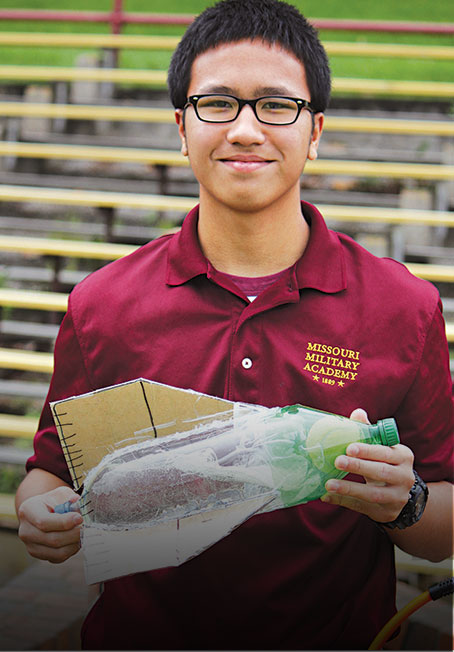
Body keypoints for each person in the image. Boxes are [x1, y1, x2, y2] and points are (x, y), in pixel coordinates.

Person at [15, 0, 453, 649]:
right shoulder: (100, 304)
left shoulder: (402, 307)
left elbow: (443, 528)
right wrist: (38, 513)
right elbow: (52, 470)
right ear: (180, 126)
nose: (245, 130)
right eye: (217, 103)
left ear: (317, 130)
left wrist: (406, 501)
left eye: (276, 105)